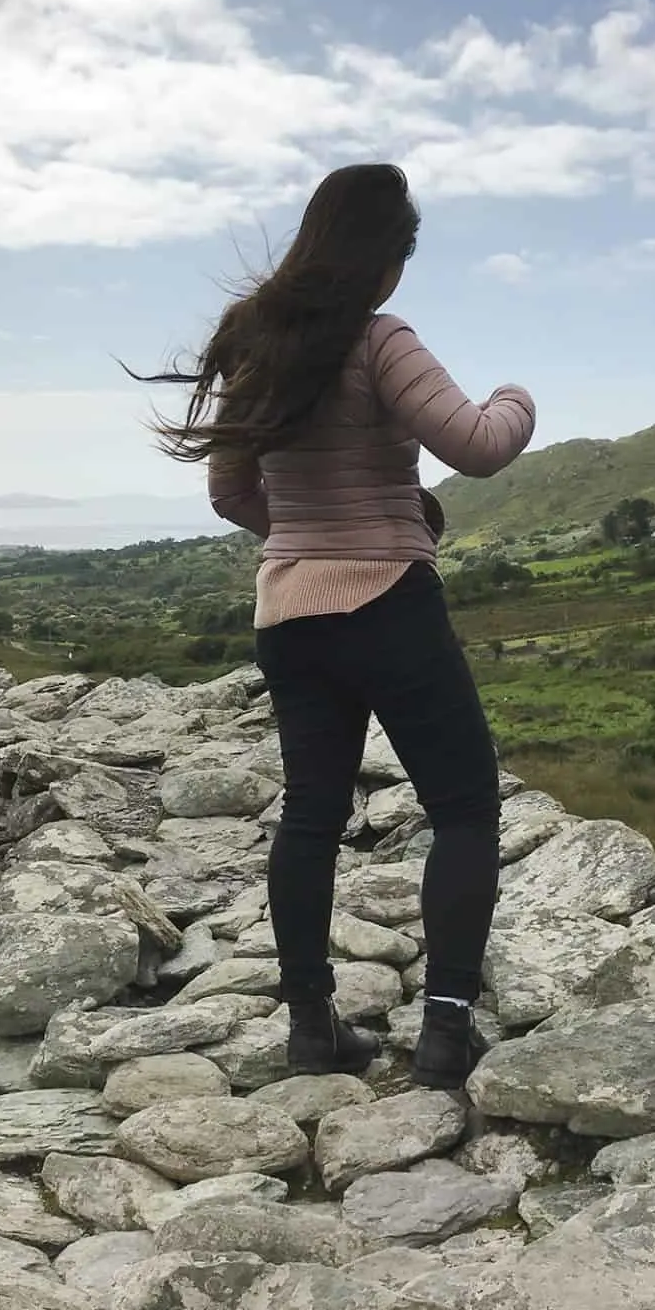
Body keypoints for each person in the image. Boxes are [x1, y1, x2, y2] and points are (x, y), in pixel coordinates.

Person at [142, 163, 535, 1088]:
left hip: (288, 615)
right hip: (389, 600)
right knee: (466, 809)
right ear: (384, 257)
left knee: (311, 814)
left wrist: (312, 537)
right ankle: (444, 1033)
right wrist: (519, 396)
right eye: (404, 251)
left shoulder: (256, 346)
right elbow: (478, 446)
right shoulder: (379, 340)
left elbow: (234, 492)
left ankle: (312, 1031)